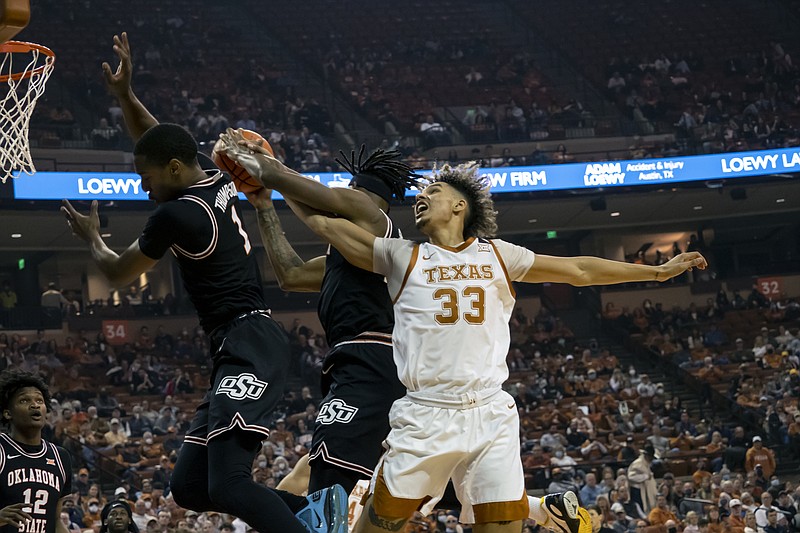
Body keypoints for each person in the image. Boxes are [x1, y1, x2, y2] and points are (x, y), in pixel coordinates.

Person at [219, 145, 707, 532]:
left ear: (459, 204)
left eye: (430, 192)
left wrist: (657, 272)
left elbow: (579, 268)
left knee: (497, 523)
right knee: (382, 520)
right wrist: (268, 180)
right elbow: (324, 224)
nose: (420, 198)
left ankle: (538, 511)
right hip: (426, 411)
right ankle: (542, 510)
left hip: (491, 412)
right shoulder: (401, 255)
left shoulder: (499, 253)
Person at [60, 33, 347, 533]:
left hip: (248, 343)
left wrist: (92, 239)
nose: (142, 185)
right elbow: (158, 138)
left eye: (144, 177)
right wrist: (126, 96)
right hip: (237, 345)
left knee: (230, 484)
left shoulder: (176, 215)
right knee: (189, 488)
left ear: (172, 171)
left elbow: (115, 271)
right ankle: (304, 514)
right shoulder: (211, 176)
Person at [237, 143, 418, 496]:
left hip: (373, 357)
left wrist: (265, 164)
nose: (345, 195)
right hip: (360, 360)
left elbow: (320, 200)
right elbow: (290, 275)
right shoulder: (347, 256)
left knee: (325, 474)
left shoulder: (374, 216)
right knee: (315, 476)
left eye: (349, 191)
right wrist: (263, 207)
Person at [0, 370, 73, 533]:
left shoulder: (60, 457)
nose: (35, 405)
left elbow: (55, 521)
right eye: (24, 400)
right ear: (7, 413)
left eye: (39, 400)